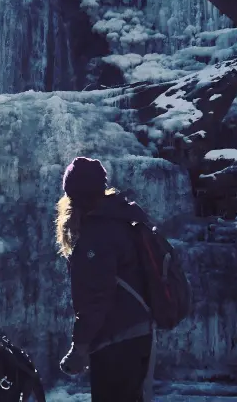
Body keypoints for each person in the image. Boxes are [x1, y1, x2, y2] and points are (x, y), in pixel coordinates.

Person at [56, 157, 154, 402]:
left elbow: (96, 297)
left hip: (116, 341)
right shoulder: (121, 219)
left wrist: (79, 348)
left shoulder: (96, 235)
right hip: (140, 333)